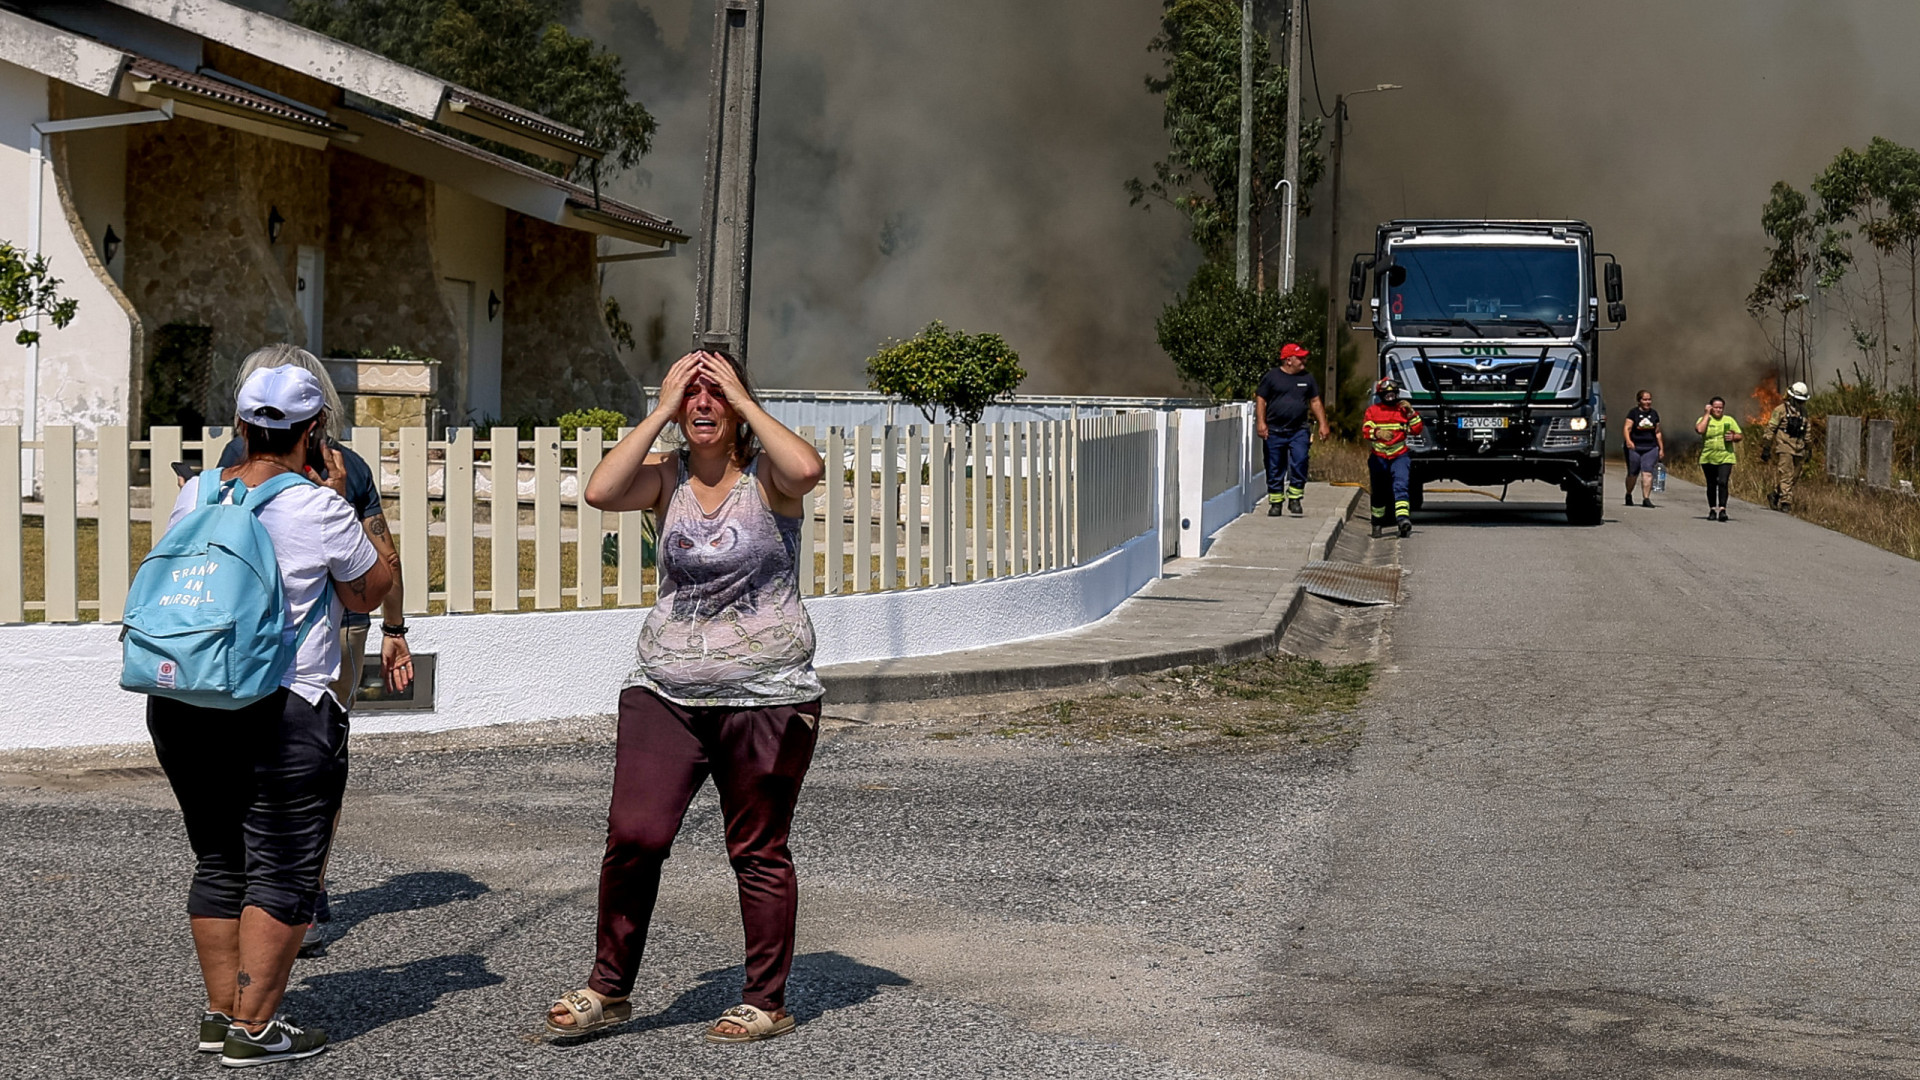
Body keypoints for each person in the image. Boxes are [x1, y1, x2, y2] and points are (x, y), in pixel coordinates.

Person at [547, 349, 827, 1045]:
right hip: (664, 687)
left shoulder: (767, 480)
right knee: (634, 837)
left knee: (757, 849)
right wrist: (662, 408)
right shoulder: (665, 478)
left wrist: (742, 395)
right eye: (692, 394)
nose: (703, 405)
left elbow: (808, 470)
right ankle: (609, 989)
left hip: (767, 693)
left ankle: (766, 1000)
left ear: (737, 407)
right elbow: (600, 491)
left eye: (716, 395)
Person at [149, 363, 394, 1066]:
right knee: (283, 869)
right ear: (314, 430)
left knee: (221, 858)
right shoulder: (317, 506)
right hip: (281, 706)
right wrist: (346, 511)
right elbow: (369, 590)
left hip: (183, 699)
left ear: (241, 426)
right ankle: (255, 1033)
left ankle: (221, 1015)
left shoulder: (195, 491)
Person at [217, 346, 414, 954]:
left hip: (237, 633)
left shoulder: (228, 464)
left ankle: (256, 888)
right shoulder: (345, 469)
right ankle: (305, 887)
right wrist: (395, 628)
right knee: (319, 764)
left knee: (243, 767)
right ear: (319, 415)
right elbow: (384, 561)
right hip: (327, 632)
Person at [1254, 342, 1331, 517]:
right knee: (1274, 466)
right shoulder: (1272, 377)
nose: (1304, 360)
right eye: (1300, 357)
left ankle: (1295, 498)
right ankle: (1276, 503)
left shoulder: (1307, 378)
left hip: (1299, 430)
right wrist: (1261, 422)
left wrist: (1323, 424)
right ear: (1289, 360)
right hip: (1274, 431)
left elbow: (1315, 402)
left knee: (1300, 459)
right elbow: (1261, 399)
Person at [1362, 377, 1423, 538]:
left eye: (1392, 393)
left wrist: (1411, 413)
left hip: (1399, 455)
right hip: (1379, 457)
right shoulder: (1373, 411)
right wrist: (1377, 433)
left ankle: (1403, 520)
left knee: (1401, 486)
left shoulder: (1402, 410)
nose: (1390, 396)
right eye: (1386, 394)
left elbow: (1417, 430)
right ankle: (1377, 522)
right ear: (1381, 395)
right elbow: (1366, 430)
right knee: (1379, 492)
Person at [1760, 380, 1811, 512]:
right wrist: (1766, 447)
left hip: (1799, 448)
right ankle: (1785, 502)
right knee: (1786, 474)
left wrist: (1809, 449)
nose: (1801, 403)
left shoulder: (1804, 412)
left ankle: (1775, 494)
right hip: (1784, 446)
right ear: (1792, 398)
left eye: (1802, 401)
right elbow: (1771, 428)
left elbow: (1807, 431)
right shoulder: (1780, 410)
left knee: (1794, 476)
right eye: (1798, 400)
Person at [1695, 396, 1743, 521]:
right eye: (1715, 407)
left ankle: (1722, 509)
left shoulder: (1729, 420)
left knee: (1722, 482)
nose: (1718, 410)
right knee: (1711, 484)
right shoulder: (1704, 419)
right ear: (1711, 407)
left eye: (1720, 408)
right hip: (1708, 457)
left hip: (1726, 456)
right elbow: (1700, 430)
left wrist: (1733, 437)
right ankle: (1712, 509)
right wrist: (1706, 414)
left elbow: (1739, 435)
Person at [1622, 389, 1663, 507]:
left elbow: (1658, 432)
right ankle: (1628, 494)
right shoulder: (1633, 413)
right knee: (1632, 473)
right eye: (1645, 399)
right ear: (1639, 401)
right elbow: (1627, 428)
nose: (1648, 402)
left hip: (1650, 447)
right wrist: (1629, 441)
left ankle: (1646, 498)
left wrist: (1661, 448)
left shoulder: (1654, 414)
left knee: (1647, 472)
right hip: (1635, 447)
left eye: (1649, 399)